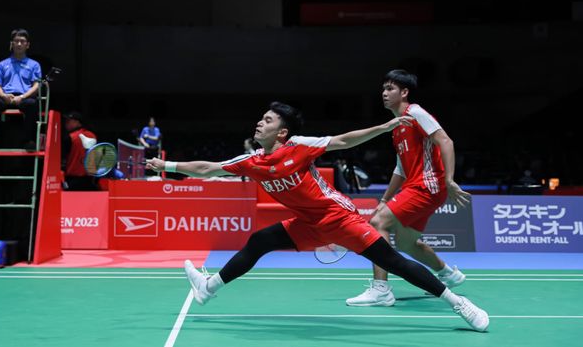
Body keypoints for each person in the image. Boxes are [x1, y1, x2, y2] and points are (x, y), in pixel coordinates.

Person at [147, 101, 489, 332]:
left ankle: (459, 304)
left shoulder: (299, 145)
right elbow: (209, 169)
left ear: (281, 132)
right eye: (261, 118)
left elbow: (342, 141)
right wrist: (168, 166)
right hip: (309, 225)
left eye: (267, 120)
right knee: (261, 240)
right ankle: (209, 288)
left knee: (392, 261)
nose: (259, 122)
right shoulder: (253, 162)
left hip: (340, 218)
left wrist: (383, 128)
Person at [346, 70, 472, 307]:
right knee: (405, 243)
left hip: (428, 185)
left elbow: (445, 141)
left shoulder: (415, 112)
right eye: (383, 89)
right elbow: (400, 170)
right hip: (418, 185)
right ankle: (448, 274)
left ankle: (380, 290)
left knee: (378, 224)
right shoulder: (397, 127)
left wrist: (450, 180)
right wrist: (385, 198)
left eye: (390, 89)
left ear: (404, 92)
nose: (384, 93)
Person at [0, 29, 42, 151]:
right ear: (12, 44)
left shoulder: (34, 65)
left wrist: (22, 97)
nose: (19, 44)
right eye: (16, 41)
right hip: (5, 98)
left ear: (27, 45)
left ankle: (28, 141)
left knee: (33, 104)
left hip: (24, 98)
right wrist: (4, 96)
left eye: (22, 41)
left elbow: (36, 86)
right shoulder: (2, 65)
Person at [62, 111, 98, 191]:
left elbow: (63, 157)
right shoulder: (92, 135)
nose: (66, 124)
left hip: (72, 179)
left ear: (77, 122)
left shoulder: (70, 137)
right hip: (90, 179)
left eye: (68, 121)